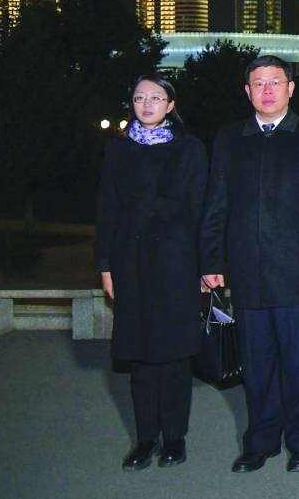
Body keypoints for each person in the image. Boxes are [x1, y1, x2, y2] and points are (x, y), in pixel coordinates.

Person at [199, 55, 299, 473]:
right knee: (256, 367)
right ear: (247, 91)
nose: (268, 90)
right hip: (247, 272)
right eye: (259, 83)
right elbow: (216, 202)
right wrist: (211, 259)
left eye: (276, 82)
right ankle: (260, 442)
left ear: (291, 89)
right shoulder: (229, 138)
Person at [95, 73, 208, 471]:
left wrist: (204, 265)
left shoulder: (190, 150)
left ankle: (174, 437)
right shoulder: (118, 150)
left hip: (177, 263)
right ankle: (145, 439)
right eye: (140, 97)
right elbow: (107, 208)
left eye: (156, 98)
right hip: (132, 262)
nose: (147, 104)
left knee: (175, 356)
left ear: (171, 105)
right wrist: (105, 264)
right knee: (140, 354)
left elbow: (198, 210)